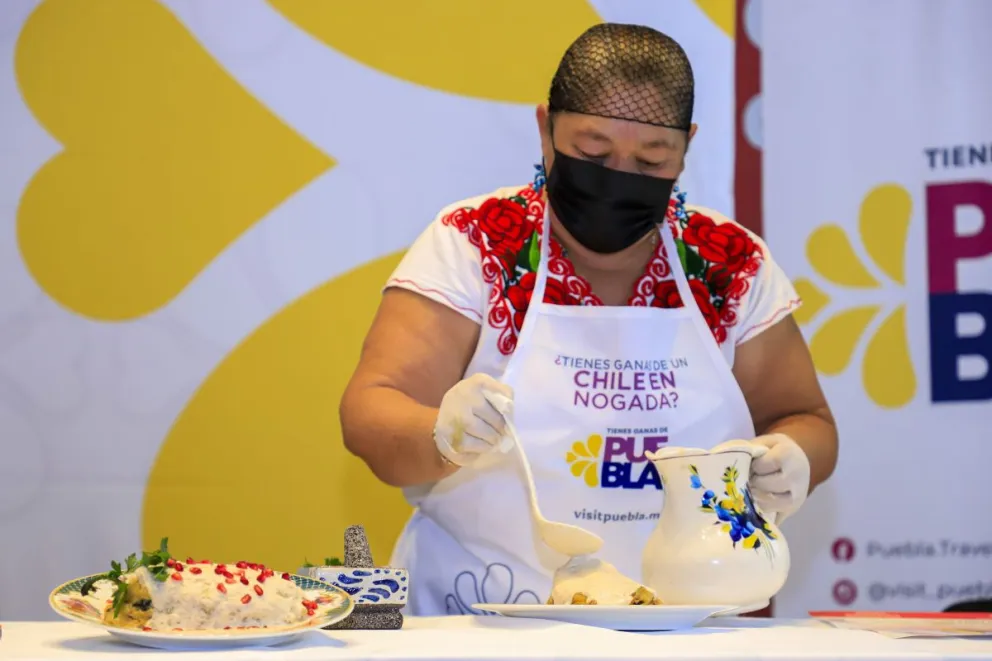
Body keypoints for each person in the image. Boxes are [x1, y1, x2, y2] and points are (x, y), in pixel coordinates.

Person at [341, 23, 837, 616]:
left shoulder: (728, 262)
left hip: (682, 629)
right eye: (592, 152)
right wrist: (440, 435)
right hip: (479, 624)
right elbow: (370, 411)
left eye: (652, 160)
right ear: (546, 130)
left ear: (687, 146)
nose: (618, 177)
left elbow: (804, 417)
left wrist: (791, 457)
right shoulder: (475, 243)